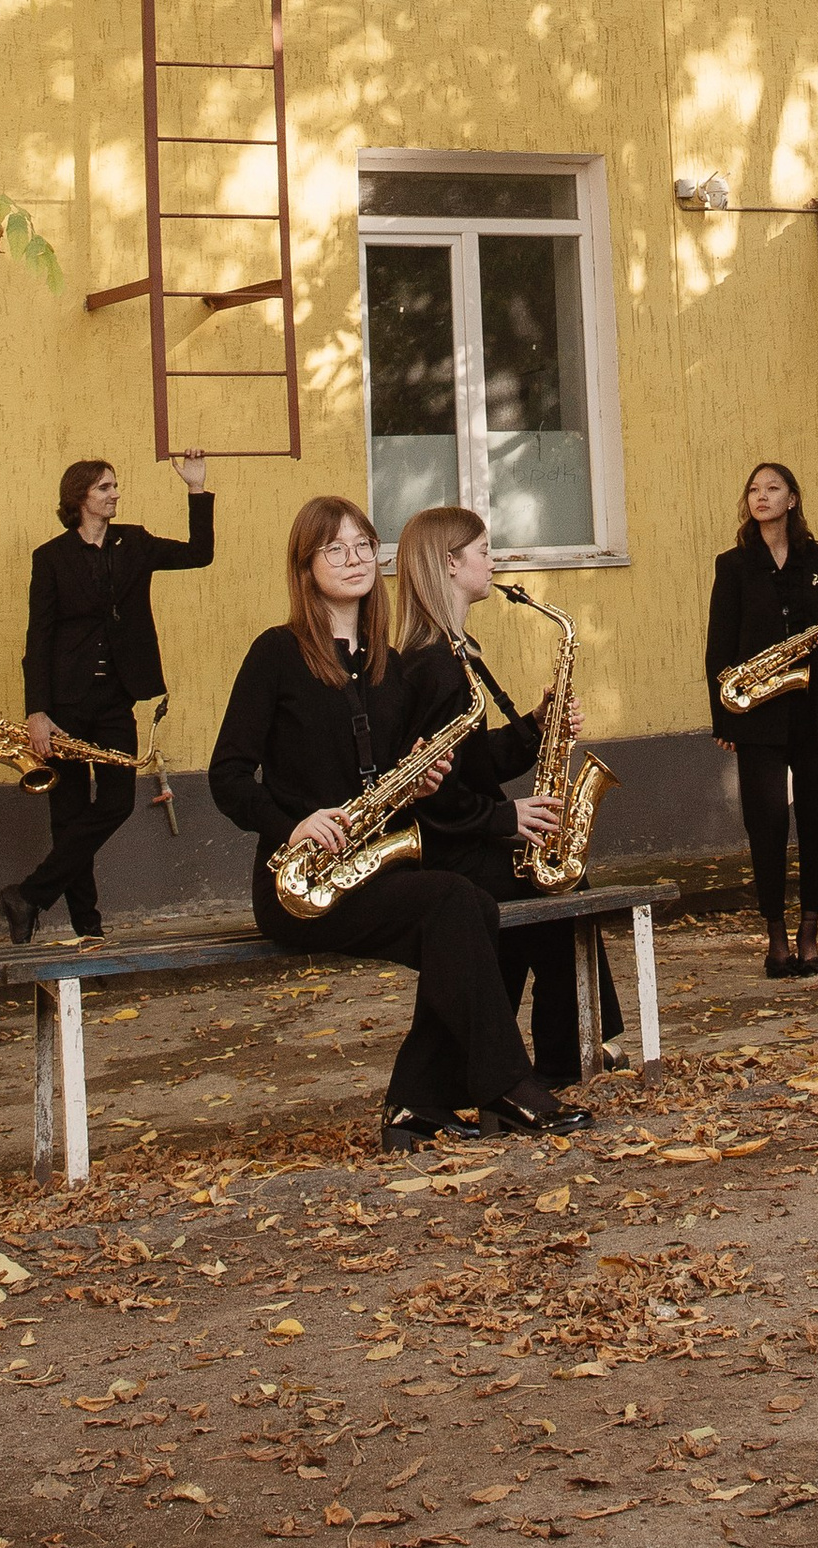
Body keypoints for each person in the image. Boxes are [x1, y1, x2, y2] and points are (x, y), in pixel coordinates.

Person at [207, 494, 591, 1154]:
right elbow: (228, 776)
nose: (354, 559)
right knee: (454, 905)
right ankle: (505, 1087)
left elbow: (390, 782)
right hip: (302, 884)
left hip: (373, 866)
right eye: (334, 549)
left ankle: (418, 1106)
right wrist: (293, 825)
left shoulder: (385, 666)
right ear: (305, 566)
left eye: (363, 545)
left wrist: (421, 780)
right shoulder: (276, 653)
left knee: (467, 907)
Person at [394, 503, 623, 1088]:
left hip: (466, 838)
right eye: (484, 551)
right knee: (559, 882)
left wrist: (540, 725)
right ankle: (563, 1056)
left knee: (554, 882)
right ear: (450, 563)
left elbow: (475, 761)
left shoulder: (454, 651)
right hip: (447, 850)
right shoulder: (432, 664)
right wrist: (504, 817)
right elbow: (430, 793)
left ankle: (558, 1054)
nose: (494, 562)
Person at [0, 452, 214, 945]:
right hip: (64, 705)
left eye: (115, 485)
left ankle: (28, 894)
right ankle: (88, 929)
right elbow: (39, 638)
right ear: (80, 498)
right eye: (104, 487)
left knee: (116, 803)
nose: (115, 493)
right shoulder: (50, 558)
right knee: (69, 817)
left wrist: (196, 489)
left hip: (117, 698)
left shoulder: (134, 542)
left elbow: (199, 553)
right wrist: (37, 711)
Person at [706, 461, 818, 978]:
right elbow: (718, 649)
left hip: (815, 712)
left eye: (772, 488)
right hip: (757, 716)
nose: (761, 496)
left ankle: (810, 932)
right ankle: (775, 935)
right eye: (754, 489)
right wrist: (725, 719)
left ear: (792, 499)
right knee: (765, 825)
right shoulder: (733, 564)